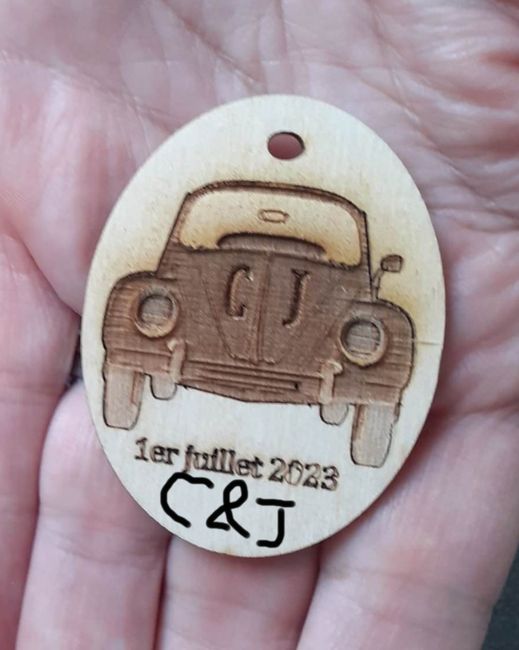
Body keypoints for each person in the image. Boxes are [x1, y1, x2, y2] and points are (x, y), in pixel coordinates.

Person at [1, 1, 518, 648]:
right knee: (138, 301)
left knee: (381, 334)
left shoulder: (359, 284)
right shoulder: (176, 266)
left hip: (321, 359)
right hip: (190, 338)